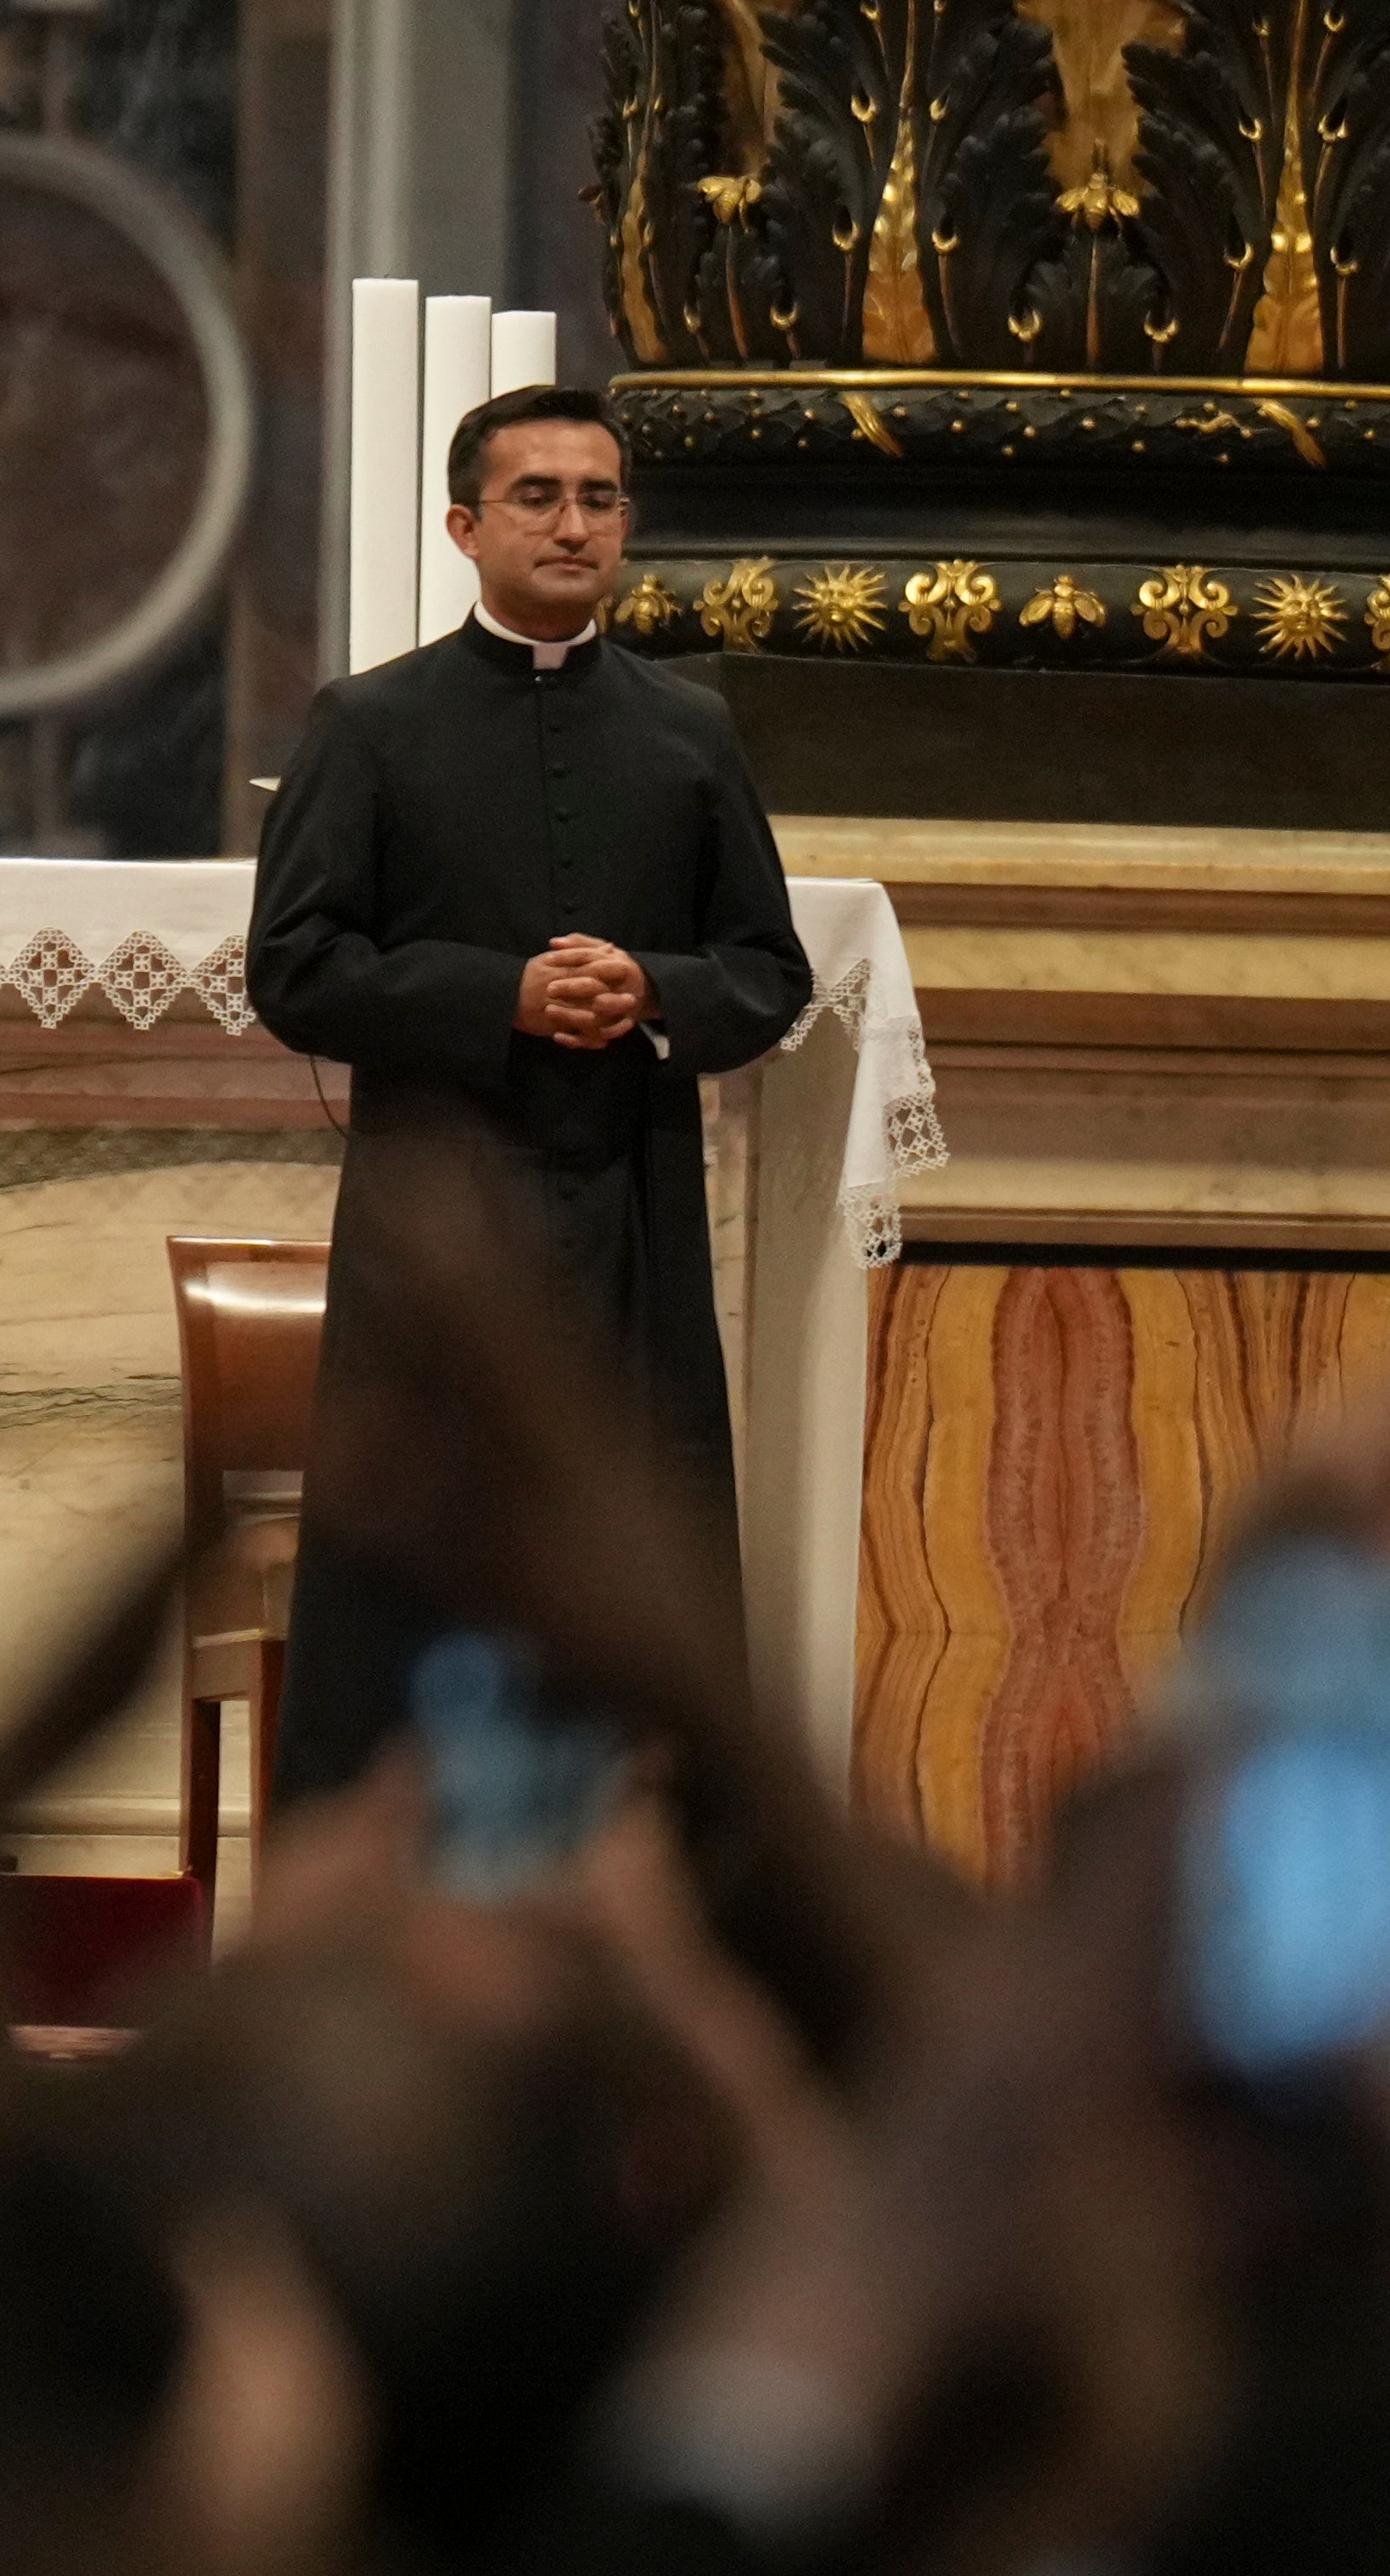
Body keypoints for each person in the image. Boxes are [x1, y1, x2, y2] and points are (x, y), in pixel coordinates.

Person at [246, 384, 810, 1800]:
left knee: (637, 1565)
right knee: (414, 1572)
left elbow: (769, 971)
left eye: (600, 498)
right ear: (464, 524)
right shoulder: (368, 725)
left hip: (632, 1217)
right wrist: (499, 996)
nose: (574, 523)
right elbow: (293, 970)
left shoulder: (691, 732)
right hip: (436, 1224)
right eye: (538, 496)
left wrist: (657, 993)